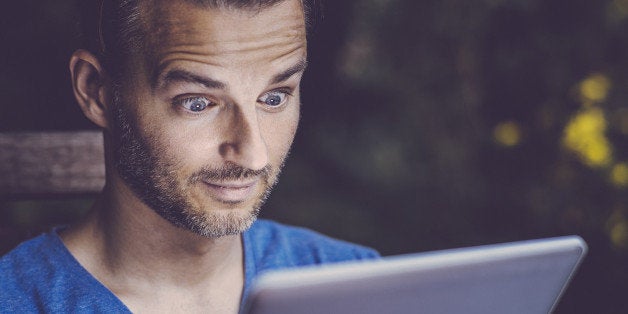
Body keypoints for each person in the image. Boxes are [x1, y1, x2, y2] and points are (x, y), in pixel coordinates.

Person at [0, 0, 379, 312]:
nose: (254, 153)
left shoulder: (360, 286)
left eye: (275, 97)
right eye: (197, 103)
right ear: (96, 91)